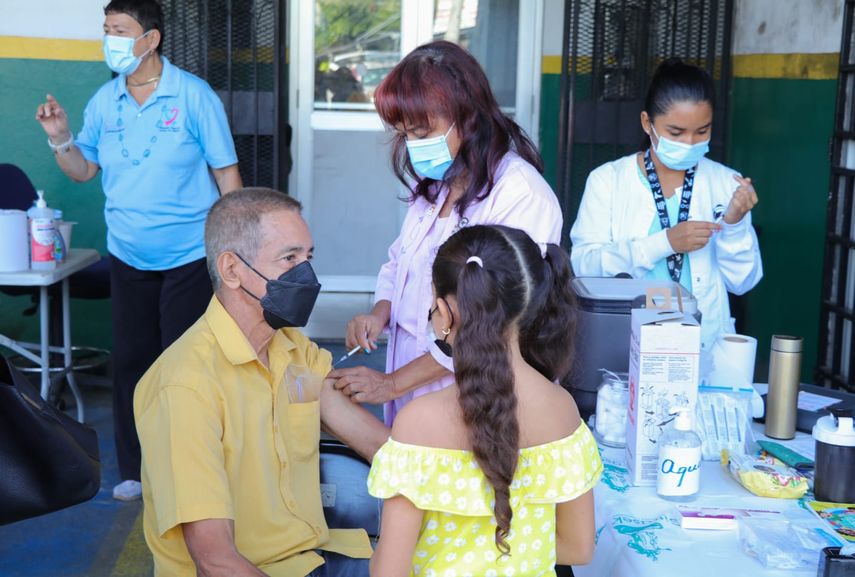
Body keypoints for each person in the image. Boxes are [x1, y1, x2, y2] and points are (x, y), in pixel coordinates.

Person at [34, 0, 243, 501]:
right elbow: (84, 170)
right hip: (127, 253)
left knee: (185, 366)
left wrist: (234, 248)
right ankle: (136, 469)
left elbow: (226, 174)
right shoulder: (105, 101)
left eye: (120, 30)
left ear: (150, 39)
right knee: (132, 362)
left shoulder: (194, 96)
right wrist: (60, 139)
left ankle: (188, 469)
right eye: (106, 29)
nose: (111, 39)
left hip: (191, 255)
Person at [134, 188, 388, 577]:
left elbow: (382, 449)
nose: (307, 275)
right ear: (232, 270)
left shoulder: (293, 350)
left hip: (314, 557)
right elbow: (215, 561)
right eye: (289, 258)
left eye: (308, 257)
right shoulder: (184, 386)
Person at [331, 40, 563, 425]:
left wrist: (391, 384)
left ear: (468, 117)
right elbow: (399, 261)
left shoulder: (521, 196)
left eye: (422, 132)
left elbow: (489, 322)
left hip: (474, 384)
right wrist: (379, 313)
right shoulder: (438, 184)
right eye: (404, 134)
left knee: (450, 472)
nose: (413, 147)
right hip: (413, 370)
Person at [367, 224, 602, 577]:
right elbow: (580, 548)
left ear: (444, 314)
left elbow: (389, 572)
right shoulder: (561, 408)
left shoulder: (419, 422)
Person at [569, 58, 762, 350]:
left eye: (702, 132)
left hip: (704, 344)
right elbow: (584, 265)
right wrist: (665, 243)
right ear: (648, 123)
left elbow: (743, 283)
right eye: (676, 132)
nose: (689, 142)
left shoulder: (726, 183)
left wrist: (734, 225)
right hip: (625, 341)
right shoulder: (608, 180)